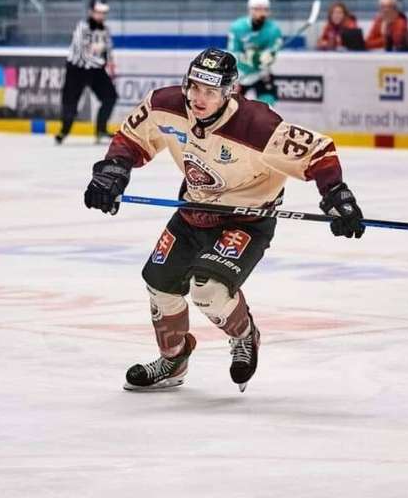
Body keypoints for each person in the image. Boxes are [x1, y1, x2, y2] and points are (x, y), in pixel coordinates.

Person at [83, 48, 365, 392]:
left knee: (209, 291)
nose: (198, 98)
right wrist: (113, 170)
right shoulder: (164, 105)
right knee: (160, 287)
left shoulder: (258, 125)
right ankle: (173, 361)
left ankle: (245, 334)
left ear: (228, 91)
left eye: (210, 91)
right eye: (195, 87)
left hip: (245, 220)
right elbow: (132, 138)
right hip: (192, 211)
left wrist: (336, 195)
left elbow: (317, 152)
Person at [57, 0, 119, 145]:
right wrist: (99, 56)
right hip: (76, 70)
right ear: (91, 12)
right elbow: (83, 53)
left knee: (110, 97)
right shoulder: (82, 27)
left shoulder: (105, 30)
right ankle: (64, 131)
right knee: (70, 104)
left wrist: (111, 63)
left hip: (96, 70)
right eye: (98, 12)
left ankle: (101, 130)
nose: (101, 16)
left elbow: (108, 48)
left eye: (103, 13)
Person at [228, 0, 283, 106]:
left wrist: (268, 57)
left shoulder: (274, 30)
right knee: (231, 106)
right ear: (250, 10)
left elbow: (274, 50)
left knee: (267, 105)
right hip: (240, 73)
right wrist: (249, 58)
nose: (261, 13)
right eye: (257, 9)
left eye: (265, 9)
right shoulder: (237, 27)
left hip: (261, 73)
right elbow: (232, 51)